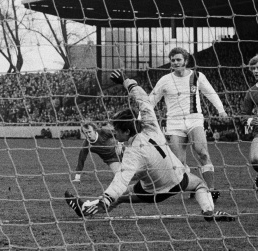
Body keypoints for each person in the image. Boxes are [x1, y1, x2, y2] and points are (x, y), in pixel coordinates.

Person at [65, 70, 235, 222]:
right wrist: (127, 82)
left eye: (116, 130)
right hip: (179, 178)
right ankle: (208, 211)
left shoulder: (132, 153)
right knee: (200, 185)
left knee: (120, 196)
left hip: (155, 191)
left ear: (126, 132)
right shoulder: (151, 126)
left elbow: (121, 180)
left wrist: (107, 198)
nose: (113, 133)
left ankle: (86, 208)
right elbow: (144, 101)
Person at [149, 47, 228, 200]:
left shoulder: (197, 76)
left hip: (194, 119)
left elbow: (210, 92)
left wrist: (221, 110)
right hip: (174, 122)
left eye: (178, 59)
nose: (175, 62)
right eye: (172, 60)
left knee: (202, 152)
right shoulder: (165, 80)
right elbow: (151, 100)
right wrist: (141, 118)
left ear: (186, 61)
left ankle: (210, 189)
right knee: (179, 163)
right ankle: (196, 185)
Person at [240, 55, 258, 190]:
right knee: (255, 159)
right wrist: (252, 120)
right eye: (253, 68)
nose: (256, 71)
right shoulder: (251, 92)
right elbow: (243, 115)